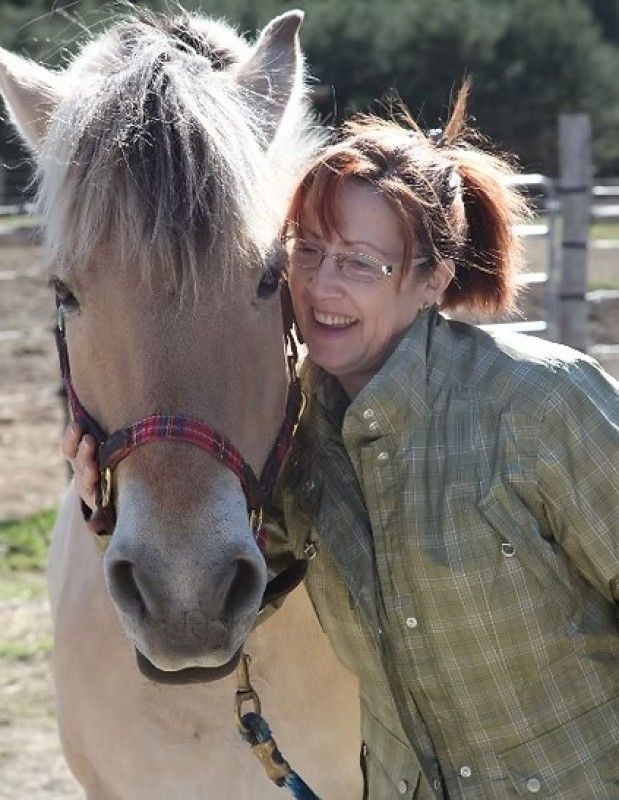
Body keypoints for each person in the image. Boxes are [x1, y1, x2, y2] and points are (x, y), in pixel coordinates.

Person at [63, 86, 618, 799]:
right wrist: (104, 512)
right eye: (309, 251)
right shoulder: (300, 441)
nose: (322, 287)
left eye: (360, 263)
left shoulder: (542, 402)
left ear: (431, 280)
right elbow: (229, 589)